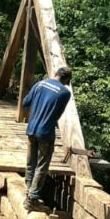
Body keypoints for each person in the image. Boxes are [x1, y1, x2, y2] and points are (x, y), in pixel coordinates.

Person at [21, 66, 72, 210]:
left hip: (31, 129)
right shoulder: (64, 93)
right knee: (42, 166)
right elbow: (58, 115)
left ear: (55, 74)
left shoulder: (39, 84)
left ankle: (28, 192)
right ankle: (32, 199)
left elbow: (25, 102)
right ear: (66, 79)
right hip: (46, 133)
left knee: (31, 163)